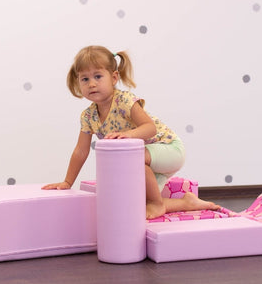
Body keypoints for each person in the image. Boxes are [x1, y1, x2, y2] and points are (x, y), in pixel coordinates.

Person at [43, 45, 220, 219]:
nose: (92, 84)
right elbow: (81, 151)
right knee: (134, 204)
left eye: (98, 76)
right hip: (143, 162)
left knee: (129, 159)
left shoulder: (124, 101)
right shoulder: (88, 116)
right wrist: (67, 181)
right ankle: (187, 203)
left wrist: (129, 134)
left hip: (168, 149)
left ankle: (157, 205)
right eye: (85, 79)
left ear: (113, 78)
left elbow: (149, 128)